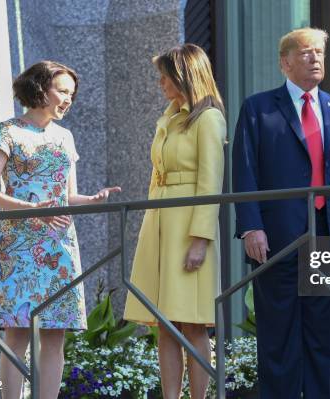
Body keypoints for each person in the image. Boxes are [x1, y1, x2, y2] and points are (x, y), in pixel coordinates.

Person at [232, 28, 330, 398]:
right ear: (285, 62)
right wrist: (251, 227)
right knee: (278, 337)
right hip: (277, 239)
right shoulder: (258, 108)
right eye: (306, 52)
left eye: (320, 53)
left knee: (325, 338)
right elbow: (245, 171)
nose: (315, 59)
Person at [0, 60, 121, 399]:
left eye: (72, 93)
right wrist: (31, 211)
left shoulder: (65, 136)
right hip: (20, 245)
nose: (68, 99)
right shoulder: (8, 130)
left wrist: (92, 199)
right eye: (62, 91)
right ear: (40, 88)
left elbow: (67, 195)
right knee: (18, 333)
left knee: (56, 334)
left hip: (59, 245)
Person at [123, 44, 226, 399]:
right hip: (160, 224)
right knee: (164, 324)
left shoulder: (209, 118)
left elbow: (211, 183)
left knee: (193, 323)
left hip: (188, 228)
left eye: (165, 75)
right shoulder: (169, 116)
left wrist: (200, 238)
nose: (160, 82)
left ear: (184, 75)